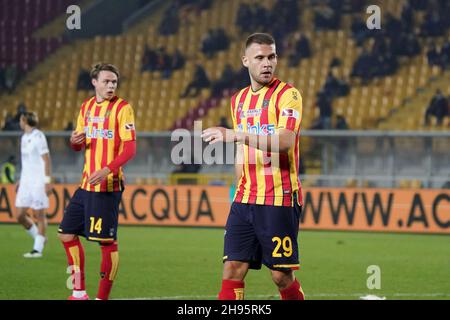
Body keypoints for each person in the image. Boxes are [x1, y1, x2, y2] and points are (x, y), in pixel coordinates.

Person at [202, 33, 305, 300]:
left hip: (278, 197)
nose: (267, 63)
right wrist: (237, 190)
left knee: (281, 275)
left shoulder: (288, 95)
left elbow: (285, 141)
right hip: (245, 198)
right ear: (245, 61)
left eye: (271, 57)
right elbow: (242, 151)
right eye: (260, 58)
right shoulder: (238, 101)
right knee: (232, 269)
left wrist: (238, 135)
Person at [57, 63, 136, 300]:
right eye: (106, 81)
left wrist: (107, 170)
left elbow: (130, 148)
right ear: (95, 82)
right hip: (85, 185)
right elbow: (78, 145)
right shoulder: (87, 107)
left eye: (114, 82)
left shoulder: (123, 108)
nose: (111, 86)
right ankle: (79, 292)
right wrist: (74, 140)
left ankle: (102, 298)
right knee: (66, 233)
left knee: (106, 242)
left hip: (107, 186)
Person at [14, 112, 52, 258]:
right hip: (26, 181)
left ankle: (37, 249)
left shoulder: (39, 136)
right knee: (19, 215)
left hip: (38, 181)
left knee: (39, 215)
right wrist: (21, 179)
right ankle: (40, 238)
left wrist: (47, 181)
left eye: (20, 119)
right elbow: (27, 162)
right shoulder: (24, 138)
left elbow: (47, 159)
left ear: (25, 120)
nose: (19, 122)